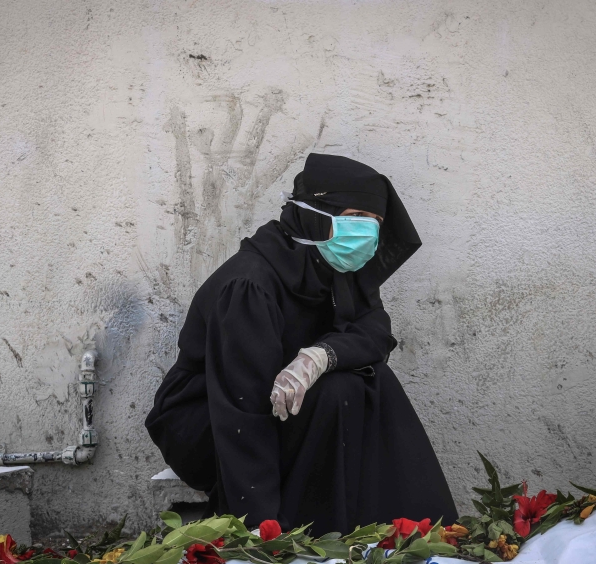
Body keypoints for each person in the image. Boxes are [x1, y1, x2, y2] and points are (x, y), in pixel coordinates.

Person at [146, 153, 457, 535]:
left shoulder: (333, 264)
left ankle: (410, 529)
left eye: (375, 222)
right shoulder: (250, 284)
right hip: (209, 422)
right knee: (333, 394)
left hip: (277, 408)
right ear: (312, 213)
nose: (368, 231)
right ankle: (293, 528)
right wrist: (260, 529)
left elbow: (375, 332)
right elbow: (240, 407)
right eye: (357, 216)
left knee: (368, 380)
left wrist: (321, 355)